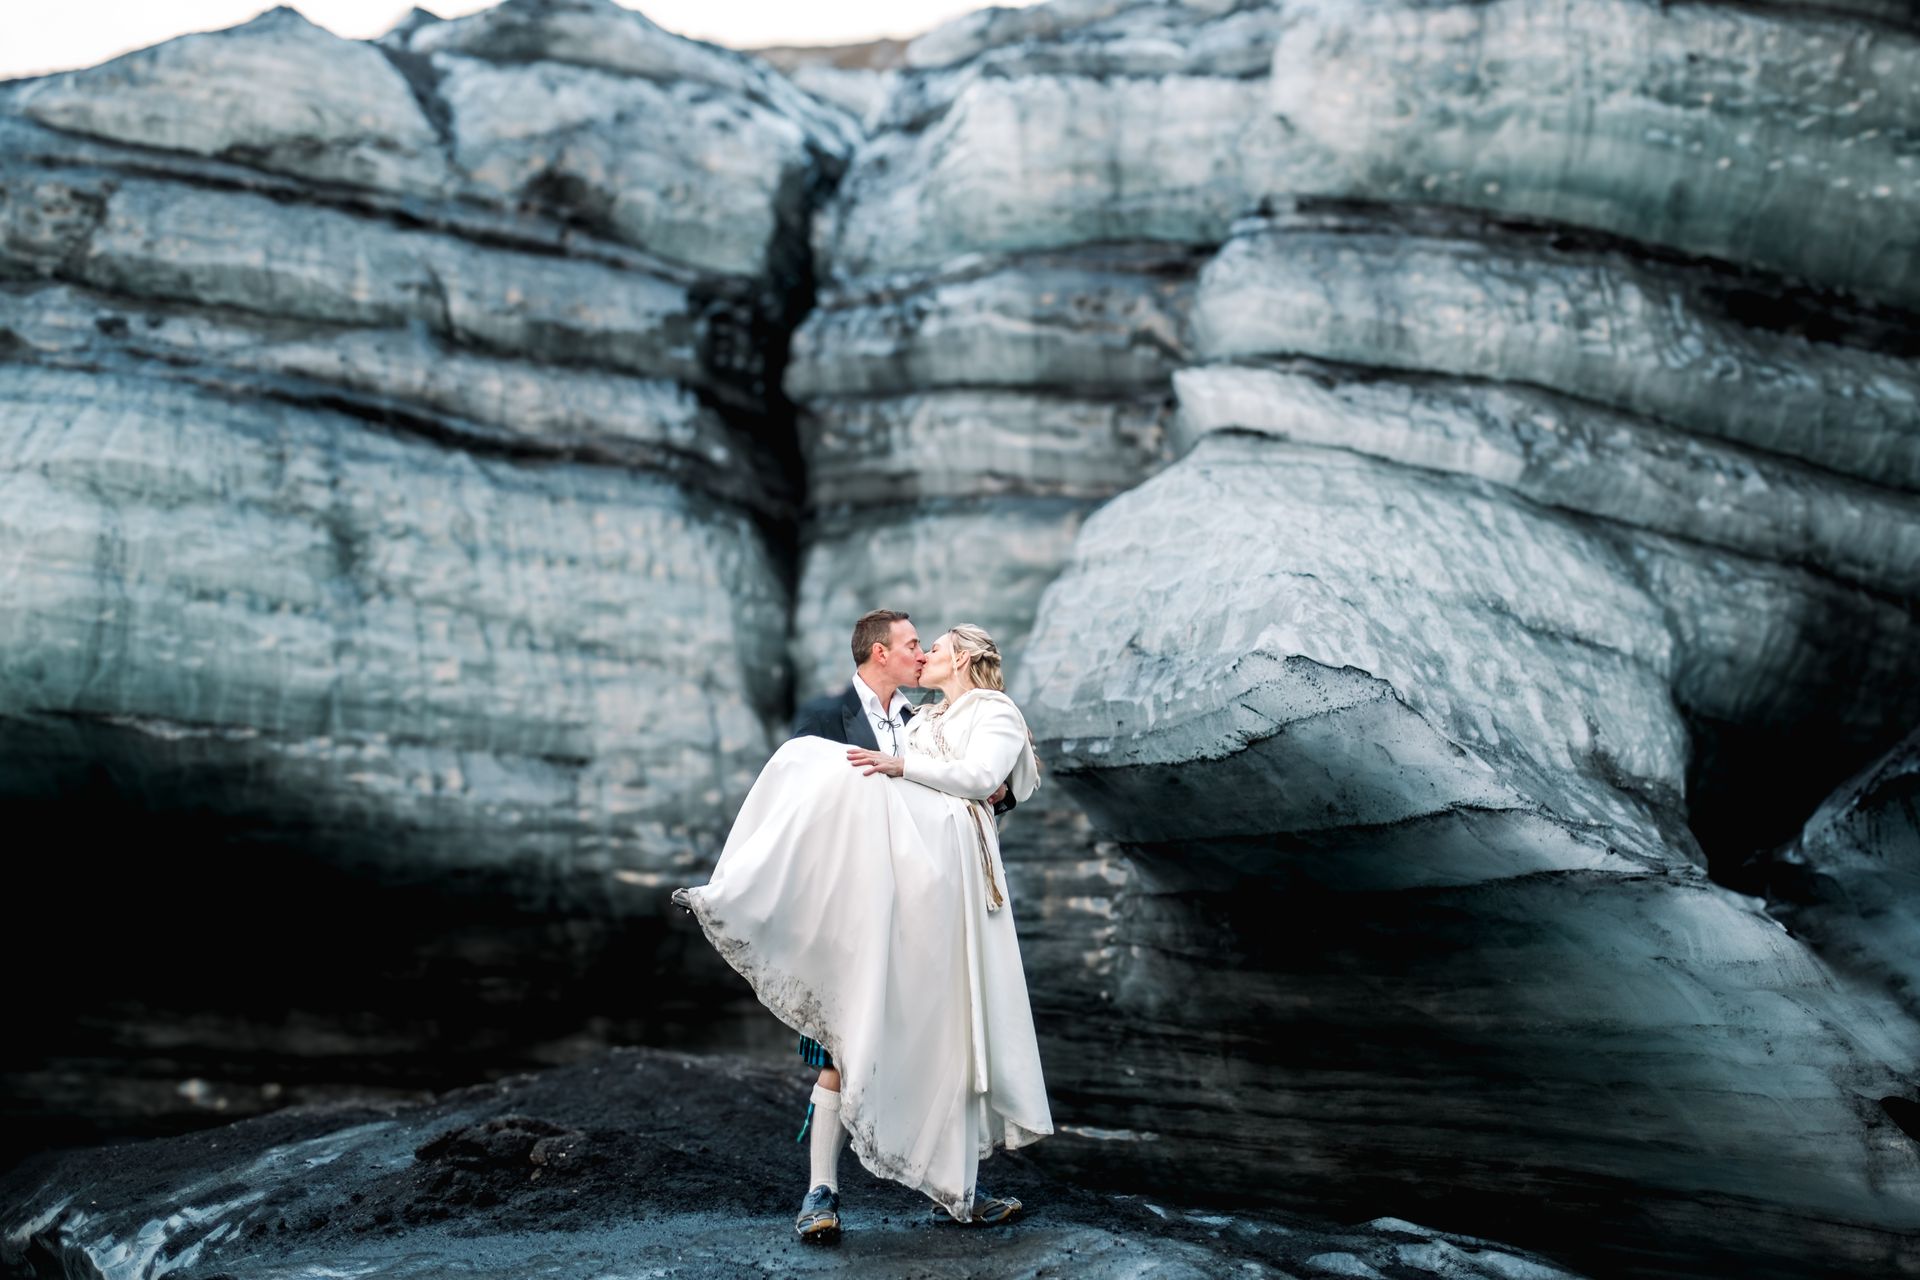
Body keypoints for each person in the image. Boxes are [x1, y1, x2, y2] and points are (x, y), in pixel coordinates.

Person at [674, 620, 1051, 1245]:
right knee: (841, 1052)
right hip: (851, 906)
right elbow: (799, 806)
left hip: (928, 901)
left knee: (944, 1037)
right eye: (913, 645)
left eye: (932, 648)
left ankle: (956, 1188)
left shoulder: (923, 719)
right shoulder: (829, 714)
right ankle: (820, 1193)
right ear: (882, 652)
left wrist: (996, 789)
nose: (922, 652)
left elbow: (980, 785)